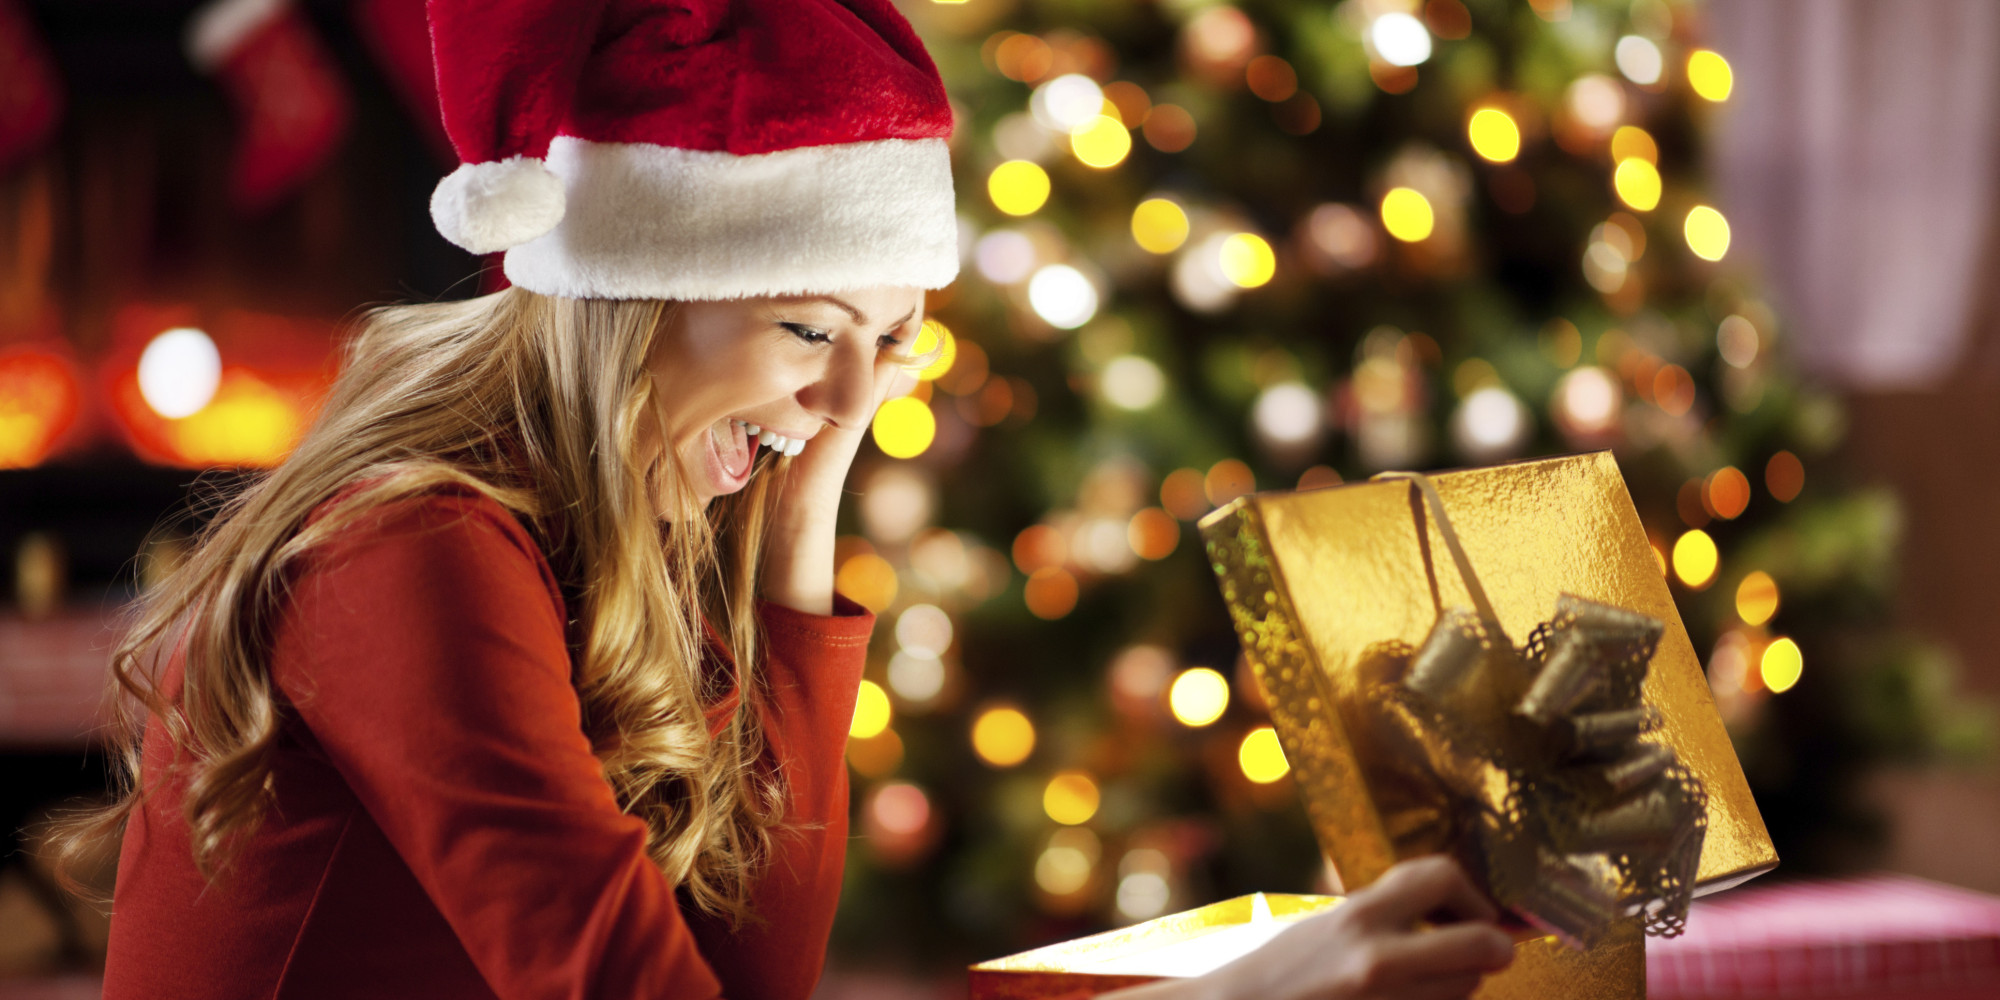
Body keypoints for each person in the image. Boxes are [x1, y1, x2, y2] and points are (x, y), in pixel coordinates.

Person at [58, 2, 1516, 998]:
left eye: (893, 344)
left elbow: (752, 981)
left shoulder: (630, 524)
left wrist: (809, 498)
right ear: (629, 293)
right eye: (812, 329)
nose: (847, 402)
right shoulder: (411, 548)